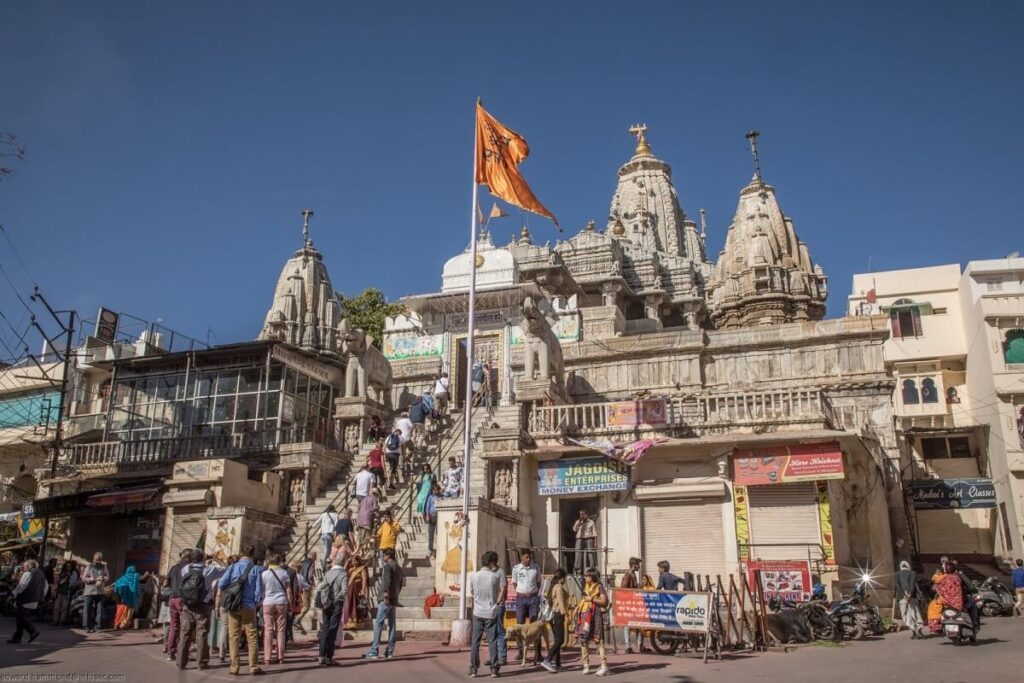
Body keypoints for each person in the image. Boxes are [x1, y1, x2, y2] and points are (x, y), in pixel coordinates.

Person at [217, 545, 262, 676]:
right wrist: (255, 603)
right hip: (249, 606)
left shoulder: (233, 567)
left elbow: (221, 584)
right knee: (252, 636)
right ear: (252, 554)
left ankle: (234, 666)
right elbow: (258, 591)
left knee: (233, 636)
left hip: (233, 605)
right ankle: (253, 666)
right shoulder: (255, 569)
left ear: (241, 553)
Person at [177, 549, 223, 670]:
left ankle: (181, 662)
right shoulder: (209, 570)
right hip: (203, 605)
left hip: (188, 605)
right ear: (203, 558)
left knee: (185, 633)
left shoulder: (186, 569)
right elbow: (226, 569)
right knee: (202, 634)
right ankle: (201, 663)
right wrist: (214, 558)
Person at [469, 550, 506, 678]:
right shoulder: (494, 576)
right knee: (492, 641)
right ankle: (494, 669)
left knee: (475, 641)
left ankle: (473, 669)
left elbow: (472, 592)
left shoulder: (474, 576)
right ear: (490, 563)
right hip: (491, 611)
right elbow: (499, 592)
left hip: (478, 611)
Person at [363, 547, 403, 660]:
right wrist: (395, 595)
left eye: (384, 555)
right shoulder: (399, 568)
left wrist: (386, 594)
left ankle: (374, 650)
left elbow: (386, 581)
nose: (383, 557)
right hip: (394, 599)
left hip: (386, 599)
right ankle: (390, 650)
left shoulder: (387, 567)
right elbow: (400, 584)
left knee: (379, 623)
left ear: (388, 556)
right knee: (392, 625)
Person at [257, 553, 292, 666]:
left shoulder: (264, 574)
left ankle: (267, 657)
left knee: (268, 630)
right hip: (281, 601)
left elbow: (261, 590)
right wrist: (290, 604)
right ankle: (280, 656)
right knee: (280, 630)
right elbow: (289, 591)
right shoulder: (284, 573)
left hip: (268, 601)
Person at [317, 554, 349, 666]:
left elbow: (321, 586)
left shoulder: (328, 573)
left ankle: (321, 655)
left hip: (326, 603)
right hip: (336, 604)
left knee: (325, 628)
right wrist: (337, 599)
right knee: (333, 629)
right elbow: (345, 590)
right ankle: (329, 657)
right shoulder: (343, 574)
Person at [577, 568, 610, 676]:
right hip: (585, 616)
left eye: (587, 576)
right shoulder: (586, 587)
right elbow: (583, 600)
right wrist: (577, 609)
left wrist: (592, 599)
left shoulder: (599, 587)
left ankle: (604, 665)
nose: (585, 577)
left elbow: (604, 602)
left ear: (592, 577)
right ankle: (586, 665)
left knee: (598, 640)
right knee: (583, 640)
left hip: (595, 616)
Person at [512, 549, 543, 664]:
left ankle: (537, 653)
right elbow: (514, 583)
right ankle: (520, 652)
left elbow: (539, 582)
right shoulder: (516, 569)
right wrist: (522, 592)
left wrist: (533, 593)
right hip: (521, 598)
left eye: (529, 557)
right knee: (519, 624)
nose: (528, 559)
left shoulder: (536, 568)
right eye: (526, 557)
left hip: (533, 598)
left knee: (535, 625)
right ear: (521, 557)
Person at [8, 559, 46, 644]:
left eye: (24, 566)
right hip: (34, 600)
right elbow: (45, 587)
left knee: (21, 617)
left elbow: (21, 586)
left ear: (28, 566)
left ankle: (33, 631)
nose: (23, 568)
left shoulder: (28, 573)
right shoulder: (41, 574)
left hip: (25, 599)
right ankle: (17, 638)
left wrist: (14, 593)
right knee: (21, 617)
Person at [540, 568, 570, 673]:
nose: (566, 580)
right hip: (558, 615)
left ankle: (557, 664)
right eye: (565, 578)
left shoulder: (553, 586)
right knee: (560, 640)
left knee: (557, 639)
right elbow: (561, 602)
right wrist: (565, 615)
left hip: (553, 616)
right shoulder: (559, 587)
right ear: (562, 578)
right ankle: (547, 660)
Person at [165, 548, 193, 658]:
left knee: (174, 626)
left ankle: (170, 652)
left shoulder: (174, 567)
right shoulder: (189, 568)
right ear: (190, 557)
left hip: (172, 598)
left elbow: (166, 582)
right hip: (183, 599)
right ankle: (184, 652)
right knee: (186, 627)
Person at [927, 559, 963, 634]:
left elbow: (934, 579)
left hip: (948, 601)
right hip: (958, 602)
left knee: (933, 606)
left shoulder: (943, 577)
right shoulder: (957, 577)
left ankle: (935, 625)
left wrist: (939, 572)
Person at [618, 557, 645, 653]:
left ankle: (640, 645)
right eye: (638, 564)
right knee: (627, 625)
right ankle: (628, 647)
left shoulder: (633, 575)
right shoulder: (627, 575)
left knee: (638, 624)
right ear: (634, 565)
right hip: (629, 604)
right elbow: (623, 589)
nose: (639, 566)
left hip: (634, 604)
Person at [894, 560, 925, 638]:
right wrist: (909, 594)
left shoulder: (897, 574)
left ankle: (913, 631)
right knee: (916, 613)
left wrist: (904, 595)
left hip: (902, 598)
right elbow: (912, 584)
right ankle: (919, 631)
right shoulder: (912, 573)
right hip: (912, 597)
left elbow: (898, 586)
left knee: (906, 615)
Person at [81, 551, 110, 633]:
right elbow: (83, 578)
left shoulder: (104, 567)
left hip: (100, 591)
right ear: (93, 559)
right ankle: (86, 626)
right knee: (87, 609)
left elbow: (107, 576)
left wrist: (103, 579)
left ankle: (97, 626)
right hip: (89, 591)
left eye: (99, 560)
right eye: (96, 560)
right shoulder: (89, 566)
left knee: (99, 609)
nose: (98, 561)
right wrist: (91, 579)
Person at [341, 553, 368, 630]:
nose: (354, 563)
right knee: (349, 605)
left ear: (359, 561)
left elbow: (364, 580)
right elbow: (343, 571)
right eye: (352, 561)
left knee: (356, 605)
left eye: (355, 561)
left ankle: (357, 622)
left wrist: (363, 589)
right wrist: (347, 562)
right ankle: (348, 622)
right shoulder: (351, 569)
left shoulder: (362, 568)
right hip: (350, 590)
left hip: (357, 590)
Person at [297, 551, 319, 634]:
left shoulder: (302, 562)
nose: (316, 558)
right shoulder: (311, 563)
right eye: (315, 556)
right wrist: (312, 584)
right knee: (306, 606)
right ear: (312, 556)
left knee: (303, 605)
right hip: (306, 586)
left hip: (300, 585)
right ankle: (297, 619)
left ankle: (297, 619)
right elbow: (310, 575)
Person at [572, 510, 597, 574]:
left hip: (589, 538)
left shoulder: (591, 522)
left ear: (586, 514)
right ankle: (578, 570)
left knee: (590, 553)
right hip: (579, 539)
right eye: (580, 514)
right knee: (578, 554)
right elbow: (574, 530)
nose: (581, 516)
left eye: (583, 514)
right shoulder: (578, 521)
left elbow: (594, 533)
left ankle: (591, 570)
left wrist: (595, 542)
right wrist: (578, 524)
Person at [425, 483, 441, 555]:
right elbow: (427, 507)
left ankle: (439, 547)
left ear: (439, 490)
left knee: (439, 533)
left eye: (437, 490)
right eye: (434, 490)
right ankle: (430, 549)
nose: (435, 491)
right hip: (432, 516)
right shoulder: (430, 497)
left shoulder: (442, 497)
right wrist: (427, 516)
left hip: (440, 515)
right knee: (431, 533)